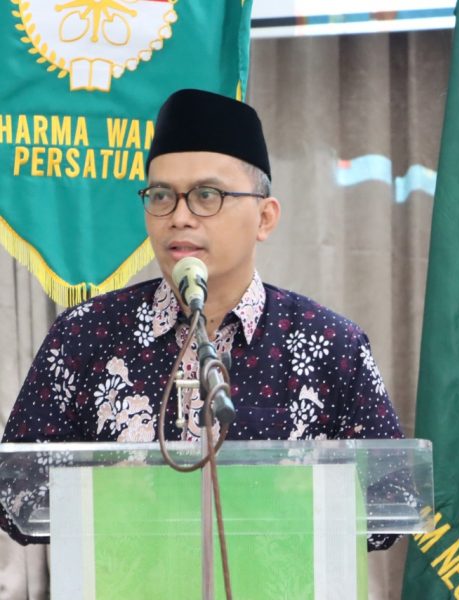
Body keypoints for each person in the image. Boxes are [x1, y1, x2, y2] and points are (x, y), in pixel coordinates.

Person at [1, 89, 403, 547]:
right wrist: (107, 493)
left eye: (206, 195)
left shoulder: (331, 343)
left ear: (265, 217)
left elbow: (389, 501)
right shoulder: (85, 334)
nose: (179, 217)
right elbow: (16, 497)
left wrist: (302, 495)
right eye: (161, 196)